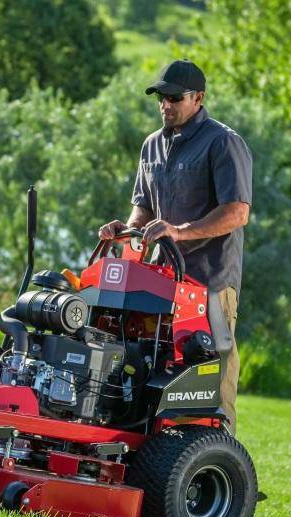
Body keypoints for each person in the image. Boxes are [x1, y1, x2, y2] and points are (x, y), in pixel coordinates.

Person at [98, 59, 252, 435]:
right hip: (162, 287)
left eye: (174, 98)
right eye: (160, 98)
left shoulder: (223, 142)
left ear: (198, 98)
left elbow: (237, 212)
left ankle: (219, 462)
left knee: (211, 382)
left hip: (212, 284)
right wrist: (127, 229)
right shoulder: (151, 145)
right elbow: (144, 207)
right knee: (158, 376)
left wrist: (180, 232)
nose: (166, 105)